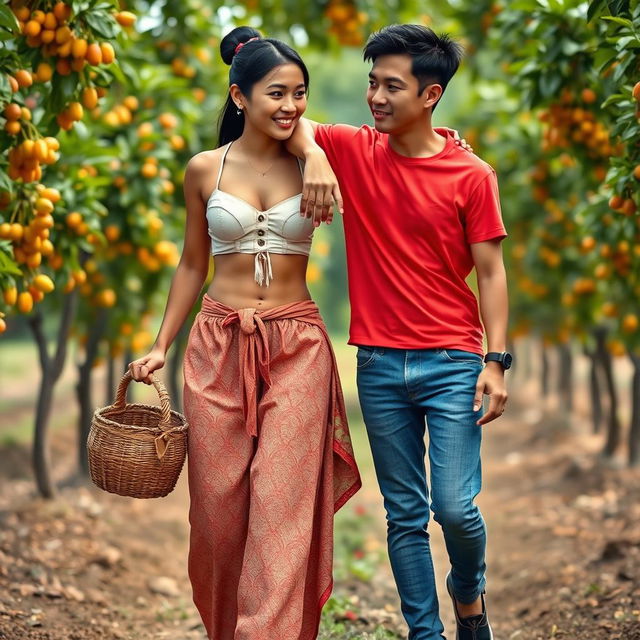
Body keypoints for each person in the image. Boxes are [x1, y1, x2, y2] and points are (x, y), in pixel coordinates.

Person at [127, 26, 361, 640]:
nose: (291, 106)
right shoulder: (205, 169)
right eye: (276, 93)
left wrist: (313, 154)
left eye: (300, 94)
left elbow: (400, 148)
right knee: (218, 513)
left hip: (296, 343)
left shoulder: (319, 167)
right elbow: (190, 263)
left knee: (280, 507)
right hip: (216, 342)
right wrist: (160, 346)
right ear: (239, 97)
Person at [286, 23, 509, 640]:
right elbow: (292, 124)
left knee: (456, 509)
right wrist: (315, 159)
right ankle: (425, 633)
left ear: (431, 94)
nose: (376, 97)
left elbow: (491, 273)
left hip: (453, 359)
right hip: (380, 364)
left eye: (392, 86)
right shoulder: (355, 150)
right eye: (371, 83)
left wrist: (498, 360)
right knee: (404, 514)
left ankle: (469, 595)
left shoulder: (472, 175)